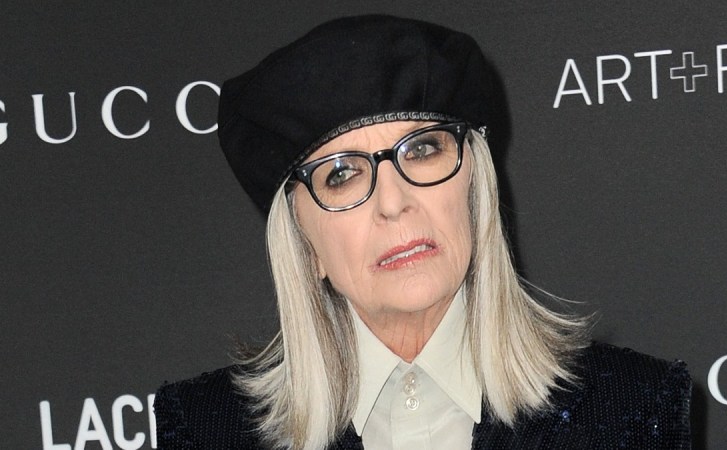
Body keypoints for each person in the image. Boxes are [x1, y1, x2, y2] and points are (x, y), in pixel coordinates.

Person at [155, 15, 691, 449]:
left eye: (423, 149)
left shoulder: (633, 409)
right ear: (302, 240)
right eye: (342, 174)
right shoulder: (206, 430)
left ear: (473, 189)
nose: (393, 202)